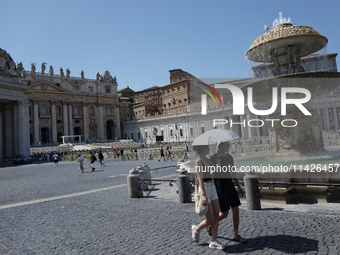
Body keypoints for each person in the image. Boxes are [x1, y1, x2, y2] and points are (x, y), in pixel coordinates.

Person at [210, 141, 247, 243]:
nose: (228, 147)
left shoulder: (230, 157)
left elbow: (233, 171)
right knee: (224, 213)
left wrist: (238, 185)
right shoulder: (213, 158)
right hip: (220, 186)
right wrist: (218, 158)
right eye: (226, 145)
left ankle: (236, 235)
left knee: (236, 209)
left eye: (228, 145)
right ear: (220, 146)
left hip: (229, 185)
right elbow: (216, 172)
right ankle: (211, 224)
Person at [191, 145, 226, 250]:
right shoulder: (198, 162)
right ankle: (196, 229)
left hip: (212, 187)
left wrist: (219, 158)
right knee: (210, 220)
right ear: (203, 149)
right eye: (207, 147)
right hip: (205, 188)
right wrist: (203, 195)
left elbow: (218, 171)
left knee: (216, 216)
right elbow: (200, 179)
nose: (209, 149)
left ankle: (213, 241)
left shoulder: (208, 160)